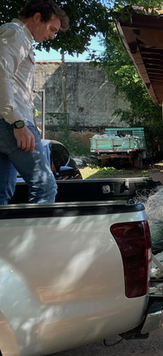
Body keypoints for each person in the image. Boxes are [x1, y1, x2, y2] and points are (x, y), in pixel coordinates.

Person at [0, 0, 68, 205]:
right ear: (37, 17)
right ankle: (38, 238)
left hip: (7, 122)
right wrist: (18, 123)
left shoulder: (14, 36)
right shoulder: (15, 35)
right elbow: (1, 77)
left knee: (2, 191)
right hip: (12, 122)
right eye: (52, 29)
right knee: (45, 187)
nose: (52, 36)